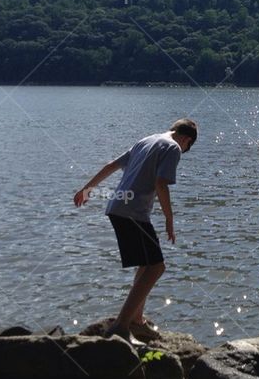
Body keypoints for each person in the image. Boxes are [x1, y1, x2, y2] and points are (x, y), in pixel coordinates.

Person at [73, 118, 197, 341]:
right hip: (133, 212)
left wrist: (87, 189)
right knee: (156, 267)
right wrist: (170, 218)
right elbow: (161, 183)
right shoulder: (173, 148)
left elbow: (111, 165)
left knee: (146, 263)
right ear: (187, 139)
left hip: (118, 208)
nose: (184, 150)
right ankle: (121, 325)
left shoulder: (147, 140)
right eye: (188, 148)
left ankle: (137, 320)